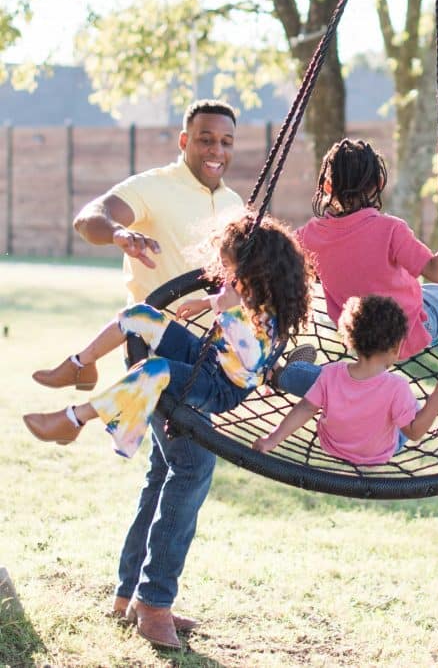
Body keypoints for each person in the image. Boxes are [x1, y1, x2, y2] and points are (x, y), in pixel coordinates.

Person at [24, 213, 311, 641]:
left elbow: (246, 366)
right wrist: (213, 305)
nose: (227, 278)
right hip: (205, 361)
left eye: (234, 272)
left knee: (158, 386)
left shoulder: (268, 318)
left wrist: (224, 308)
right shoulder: (246, 300)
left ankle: (74, 419)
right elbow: (221, 323)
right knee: (141, 315)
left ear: (258, 275)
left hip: (215, 386)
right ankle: (80, 365)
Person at [60, 100, 244, 648]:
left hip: (210, 356)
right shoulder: (152, 186)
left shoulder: (233, 201)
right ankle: (154, 604)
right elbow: (90, 217)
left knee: (166, 474)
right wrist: (119, 234)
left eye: (226, 142)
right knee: (190, 471)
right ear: (185, 140)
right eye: (206, 139)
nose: (216, 151)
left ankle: (129, 595)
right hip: (155, 351)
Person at [279, 137, 438, 416]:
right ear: (378, 185)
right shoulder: (389, 229)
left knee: (345, 383)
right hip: (408, 330)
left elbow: (292, 270)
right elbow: (437, 272)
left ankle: (288, 375)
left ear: (326, 186)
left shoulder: (308, 237)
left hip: (359, 340)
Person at [253, 295, 438, 463]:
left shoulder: (331, 373)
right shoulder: (398, 387)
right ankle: (290, 371)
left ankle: (285, 372)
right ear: (395, 348)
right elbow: (413, 432)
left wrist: (272, 440)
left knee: (313, 381)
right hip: (378, 453)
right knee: (415, 409)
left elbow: (305, 408)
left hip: (332, 445)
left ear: (351, 340)